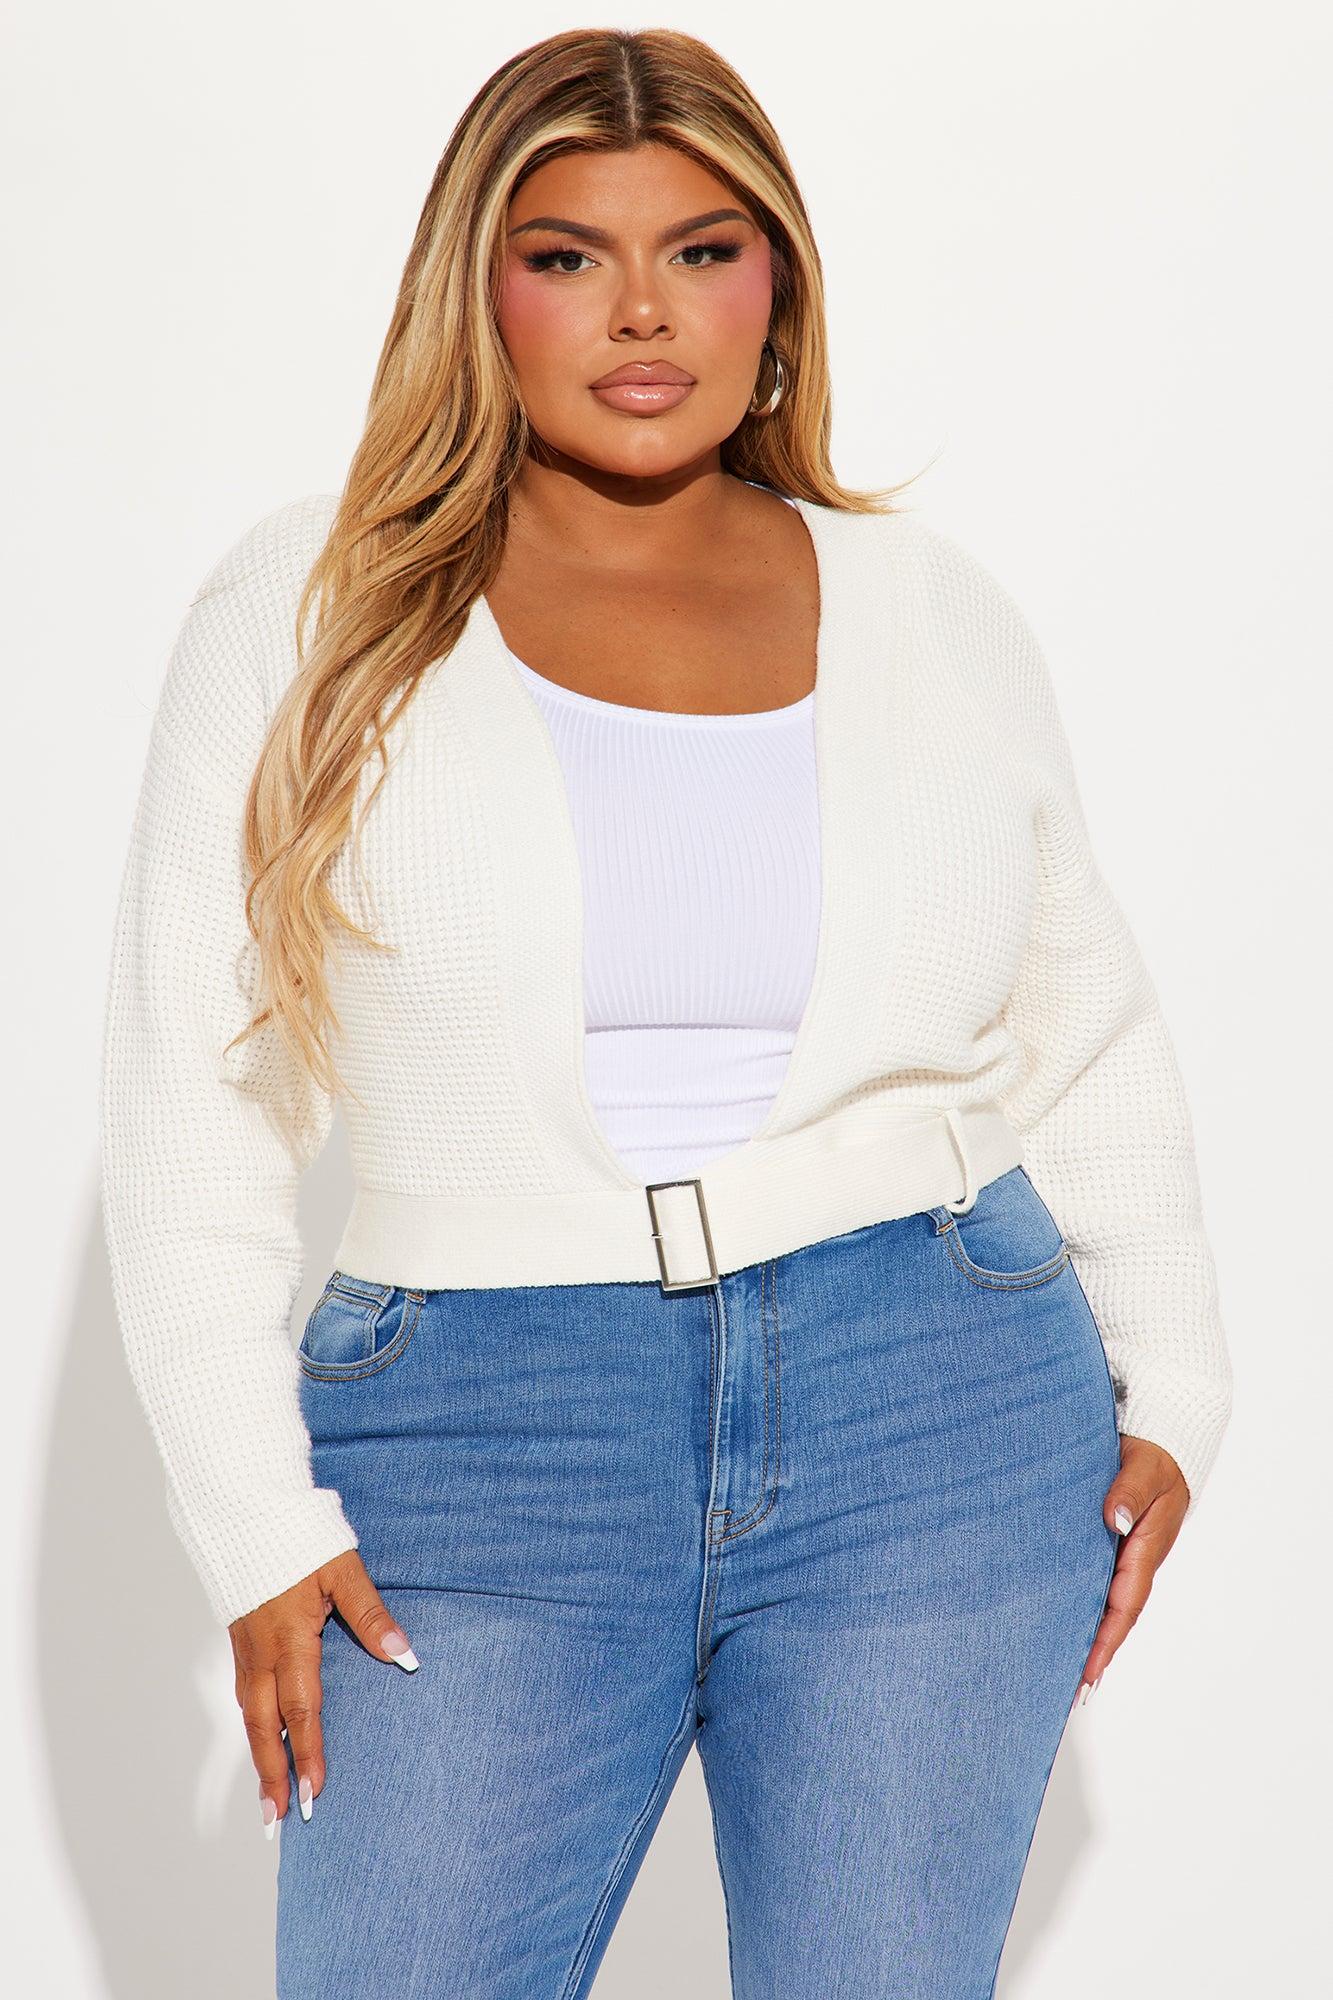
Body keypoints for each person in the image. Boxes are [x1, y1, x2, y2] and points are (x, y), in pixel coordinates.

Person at [98, 26, 1234, 1999]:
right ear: (476, 293)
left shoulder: (929, 609)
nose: (643, 312)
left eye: (703, 251)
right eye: (566, 256)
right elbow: (195, 1093)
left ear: (776, 288)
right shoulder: (307, 610)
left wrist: (1179, 1383)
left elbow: (1084, 1021)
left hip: (936, 1399)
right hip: (479, 1423)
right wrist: (247, 1516)